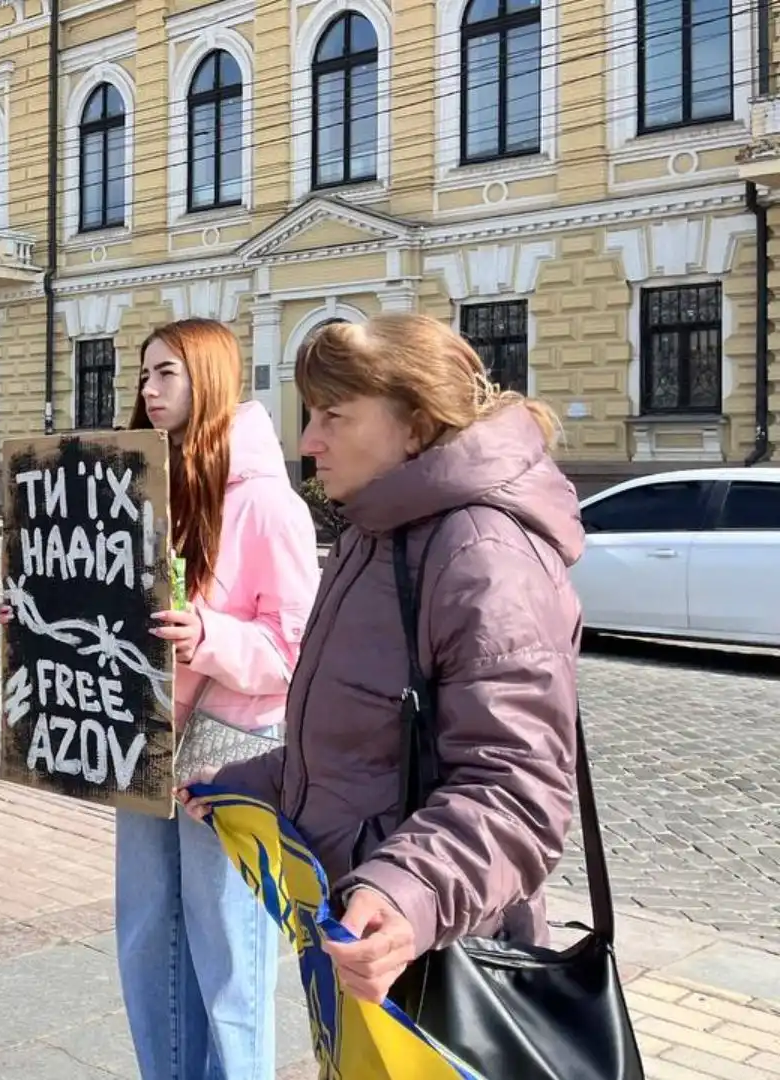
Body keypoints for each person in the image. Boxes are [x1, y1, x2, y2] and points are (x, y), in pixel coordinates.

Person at [185, 314, 583, 1007]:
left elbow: (519, 790)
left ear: (415, 425)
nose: (308, 441)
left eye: (334, 416)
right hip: (360, 929)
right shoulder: (375, 532)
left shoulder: (481, 555)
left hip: (438, 950)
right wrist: (246, 782)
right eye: (310, 414)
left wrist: (407, 891)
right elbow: (365, 742)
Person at [6, 320, 317, 1079]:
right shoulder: (133, 488)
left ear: (208, 376)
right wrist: (39, 612)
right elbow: (101, 601)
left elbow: (296, 651)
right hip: (140, 738)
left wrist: (207, 636)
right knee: (148, 936)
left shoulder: (267, 504)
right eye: (144, 373)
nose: (148, 389)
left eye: (167, 372)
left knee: (228, 949)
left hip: (228, 755)